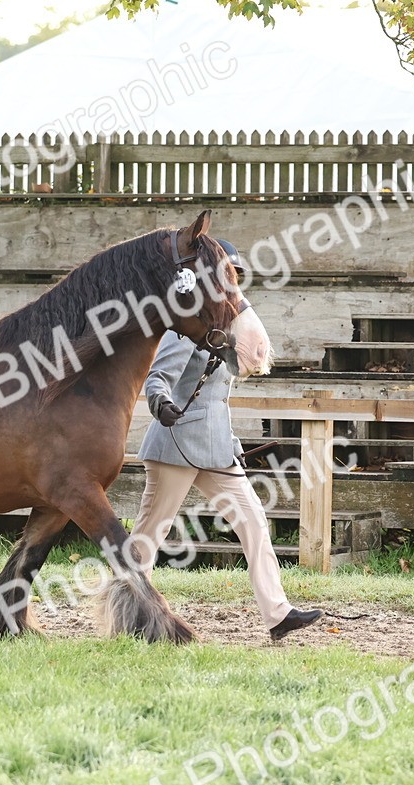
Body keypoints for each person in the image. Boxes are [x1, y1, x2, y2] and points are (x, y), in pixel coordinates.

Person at [131, 241, 324, 642]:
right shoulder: (188, 327)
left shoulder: (226, 328)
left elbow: (219, 398)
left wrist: (232, 442)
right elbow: (157, 378)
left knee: (253, 522)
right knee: (149, 536)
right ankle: (130, 610)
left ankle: (278, 614)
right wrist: (160, 402)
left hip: (217, 450)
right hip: (176, 445)